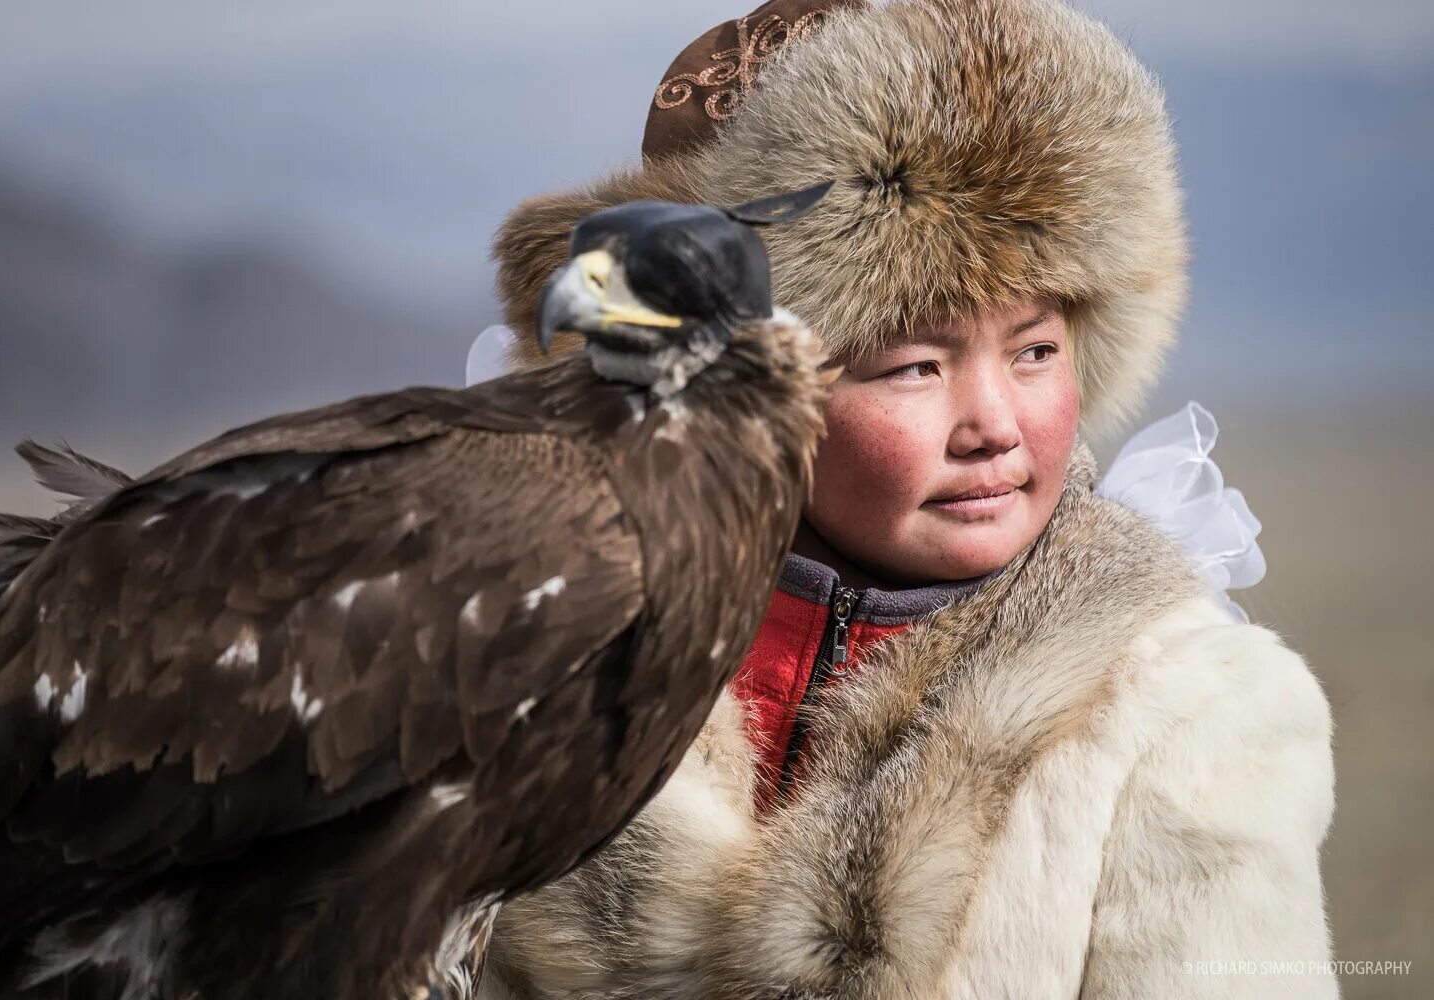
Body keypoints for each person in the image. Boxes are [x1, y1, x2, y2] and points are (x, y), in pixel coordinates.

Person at [472, 0, 1338, 996]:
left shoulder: (1178, 714)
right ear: (738, 385)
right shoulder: (524, 666)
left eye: (1038, 350)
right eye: (914, 364)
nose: (993, 423)